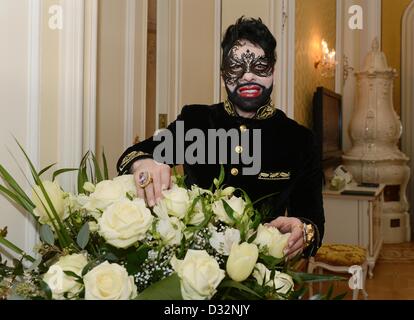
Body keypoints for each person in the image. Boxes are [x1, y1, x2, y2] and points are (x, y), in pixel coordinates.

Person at [117, 17, 324, 257]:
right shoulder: (196, 121)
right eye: (236, 67)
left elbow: (314, 222)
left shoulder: (299, 140)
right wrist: (143, 163)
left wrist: (304, 232)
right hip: (194, 268)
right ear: (222, 73)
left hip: (263, 274)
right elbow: (132, 155)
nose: (248, 76)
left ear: (273, 70)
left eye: (259, 66)